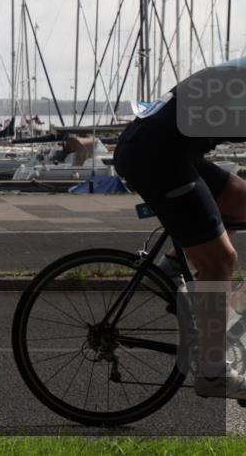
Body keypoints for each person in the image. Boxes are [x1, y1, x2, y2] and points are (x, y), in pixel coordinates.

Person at [113, 58, 246, 399]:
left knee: (238, 198)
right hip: (157, 154)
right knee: (219, 260)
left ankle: (173, 266)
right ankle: (214, 372)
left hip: (167, 147)